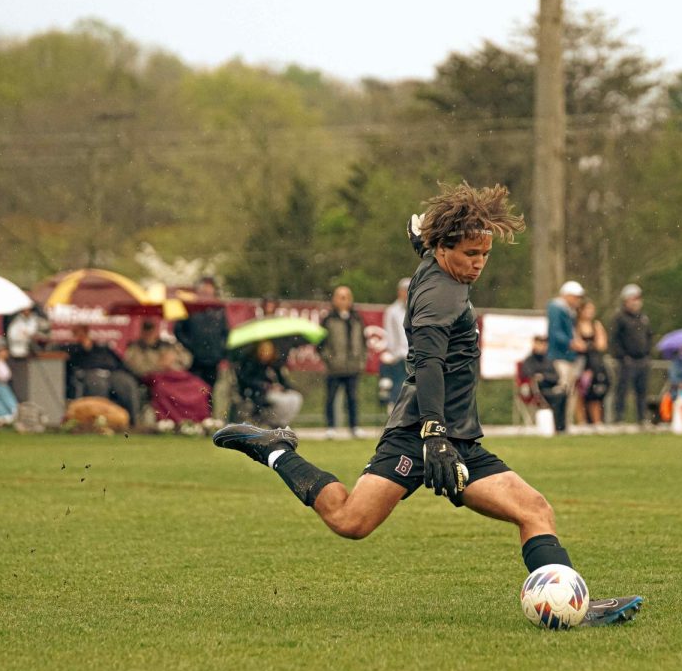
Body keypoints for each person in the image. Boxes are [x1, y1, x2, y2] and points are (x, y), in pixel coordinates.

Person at [212, 182, 641, 626]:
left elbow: (429, 253)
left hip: (460, 440)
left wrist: (424, 239)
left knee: (535, 510)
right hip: (419, 435)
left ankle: (574, 608)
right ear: (444, 250)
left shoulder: (438, 266)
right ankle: (275, 449)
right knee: (349, 520)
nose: (477, 264)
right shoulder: (441, 296)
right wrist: (434, 433)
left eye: (485, 254)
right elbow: (429, 363)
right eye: (470, 254)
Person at [125, 320, 210, 424]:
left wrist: (174, 359)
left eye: (151, 329)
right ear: (142, 331)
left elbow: (187, 360)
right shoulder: (135, 348)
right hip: (156, 379)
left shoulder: (168, 345)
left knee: (199, 387)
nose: (149, 333)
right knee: (163, 389)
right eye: (146, 329)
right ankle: (171, 419)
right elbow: (136, 368)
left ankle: (197, 419)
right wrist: (159, 365)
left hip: (177, 377)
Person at [64, 324, 142, 425]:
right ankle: (100, 421)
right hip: (89, 373)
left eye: (83, 331)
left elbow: (119, 362)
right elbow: (70, 367)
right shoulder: (73, 349)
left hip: (113, 372)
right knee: (98, 386)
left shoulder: (102, 347)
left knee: (126, 383)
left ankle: (132, 421)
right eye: (78, 333)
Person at [319, 285, 367, 438]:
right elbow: (320, 345)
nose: (343, 300)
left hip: (352, 366)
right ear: (334, 299)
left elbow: (362, 342)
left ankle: (354, 426)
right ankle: (331, 427)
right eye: (340, 296)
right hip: (335, 367)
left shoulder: (357, 318)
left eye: (346, 296)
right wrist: (330, 359)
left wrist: (360, 359)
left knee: (352, 398)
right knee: (331, 397)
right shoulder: (328, 319)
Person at [173, 277, 228, 393]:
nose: (207, 291)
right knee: (194, 390)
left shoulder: (218, 310)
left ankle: (208, 410)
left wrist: (220, 350)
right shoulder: (190, 308)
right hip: (195, 359)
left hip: (212, 359)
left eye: (210, 288)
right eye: (205, 288)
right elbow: (178, 330)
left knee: (210, 391)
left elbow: (225, 332)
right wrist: (191, 346)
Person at [234, 340, 303, 427]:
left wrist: (283, 388)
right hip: (259, 393)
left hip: (277, 392)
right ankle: (273, 422)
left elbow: (283, 381)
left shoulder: (275, 365)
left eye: (268, 350)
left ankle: (283, 423)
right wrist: (265, 386)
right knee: (282, 402)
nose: (266, 353)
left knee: (296, 398)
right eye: (263, 350)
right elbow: (246, 380)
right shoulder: (252, 364)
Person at [610, 283, 652, 424]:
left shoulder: (643, 318)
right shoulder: (620, 318)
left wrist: (647, 353)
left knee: (642, 391)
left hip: (642, 359)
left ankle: (642, 417)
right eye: (633, 299)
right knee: (622, 389)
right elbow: (615, 339)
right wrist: (622, 356)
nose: (636, 302)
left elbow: (649, 336)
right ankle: (619, 417)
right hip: (626, 360)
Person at [546, 280, 586, 427]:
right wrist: (571, 343)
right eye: (575, 297)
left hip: (569, 356)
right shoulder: (557, 309)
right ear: (567, 295)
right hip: (560, 356)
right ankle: (559, 423)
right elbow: (556, 332)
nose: (578, 300)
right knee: (562, 389)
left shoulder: (570, 311)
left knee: (570, 391)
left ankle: (566, 422)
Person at [519, 335, 566, 432]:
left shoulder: (548, 361)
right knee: (556, 397)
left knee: (562, 394)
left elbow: (556, 377)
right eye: (540, 344)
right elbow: (528, 375)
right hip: (536, 391)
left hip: (550, 388)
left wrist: (544, 376)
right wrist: (543, 378)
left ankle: (561, 427)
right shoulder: (528, 361)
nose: (542, 347)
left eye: (544, 344)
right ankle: (556, 427)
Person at [573, 298, 609, 425]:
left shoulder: (596, 325)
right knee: (580, 392)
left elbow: (602, 345)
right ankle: (581, 420)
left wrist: (589, 346)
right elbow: (576, 344)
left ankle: (597, 420)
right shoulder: (576, 325)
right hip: (581, 362)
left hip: (594, 363)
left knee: (595, 392)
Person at [379, 278, 410, 411]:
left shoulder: (417, 309)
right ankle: (394, 411)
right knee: (398, 384)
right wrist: (393, 352)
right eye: (405, 290)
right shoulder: (392, 311)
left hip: (413, 354)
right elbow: (390, 333)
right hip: (399, 355)